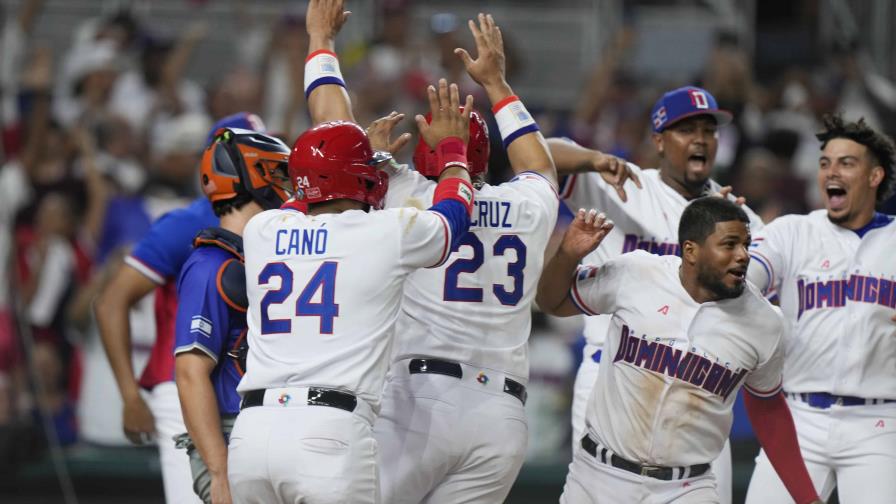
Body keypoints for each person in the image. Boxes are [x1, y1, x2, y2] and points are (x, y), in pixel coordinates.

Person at [299, 4, 558, 501]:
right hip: (501, 415)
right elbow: (540, 164)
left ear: (424, 156)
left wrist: (321, 42)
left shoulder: (405, 195)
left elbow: (329, 126)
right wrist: (498, 85)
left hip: (419, 402)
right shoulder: (527, 205)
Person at [226, 80, 476, 503]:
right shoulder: (382, 232)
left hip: (251, 433)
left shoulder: (262, 229)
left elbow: (307, 197)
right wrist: (454, 151)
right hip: (328, 434)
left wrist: (360, 158)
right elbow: (453, 218)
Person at [551, 86, 767, 503]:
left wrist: (732, 235)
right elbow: (537, 152)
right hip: (613, 377)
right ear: (658, 140)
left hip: (698, 388)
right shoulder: (624, 186)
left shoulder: (736, 219)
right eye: (686, 129)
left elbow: (750, 305)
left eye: (709, 129)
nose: (701, 138)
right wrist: (594, 158)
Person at [537, 197, 822, 504]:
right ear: (691, 251)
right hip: (598, 476)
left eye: (746, 245)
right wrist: (567, 255)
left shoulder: (764, 322)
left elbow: (769, 407)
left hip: (686, 487)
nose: (742, 256)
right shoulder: (637, 273)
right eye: (729, 244)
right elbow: (550, 302)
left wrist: (807, 498)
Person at [95, 112, 265, 504]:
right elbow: (110, 302)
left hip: (244, 384)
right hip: (184, 381)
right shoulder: (187, 221)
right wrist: (130, 396)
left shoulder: (275, 220)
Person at [744, 115, 896, 503]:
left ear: (874, 176)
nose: (832, 171)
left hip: (878, 424)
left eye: (847, 163)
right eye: (825, 162)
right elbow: (744, 278)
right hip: (800, 419)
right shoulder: (792, 231)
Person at [173, 127, 291, 504]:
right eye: (279, 172)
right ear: (255, 175)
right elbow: (190, 373)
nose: (288, 184)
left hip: (265, 427)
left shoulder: (258, 253)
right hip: (227, 431)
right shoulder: (212, 264)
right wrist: (219, 470)